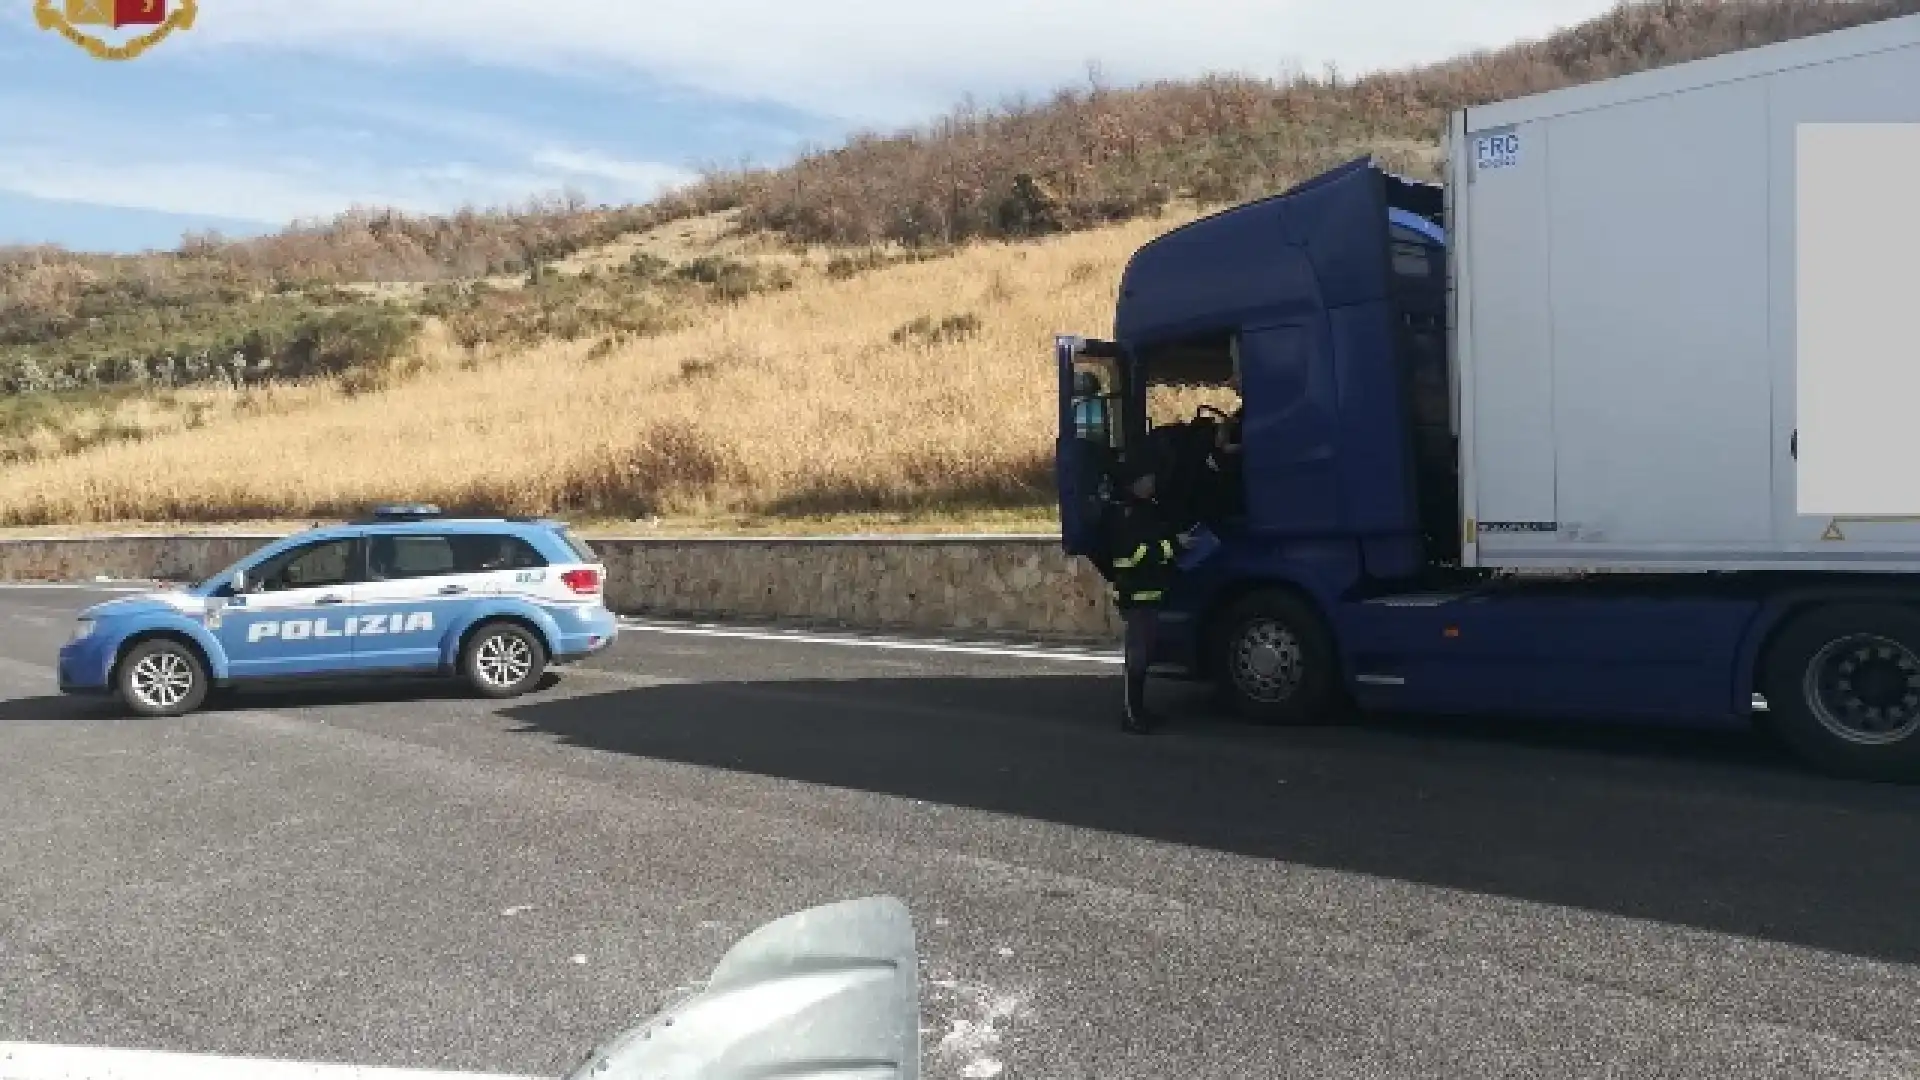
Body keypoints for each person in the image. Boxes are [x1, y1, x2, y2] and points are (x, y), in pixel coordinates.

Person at [1106, 465, 1185, 734]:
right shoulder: (1127, 514)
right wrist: (1174, 546)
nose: (1152, 480)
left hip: (1148, 594)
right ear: (1134, 482)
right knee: (1137, 657)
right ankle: (1132, 715)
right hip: (1137, 595)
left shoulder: (1144, 509)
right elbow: (1135, 554)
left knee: (1145, 654)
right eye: (1147, 476)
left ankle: (1139, 711)